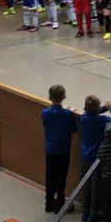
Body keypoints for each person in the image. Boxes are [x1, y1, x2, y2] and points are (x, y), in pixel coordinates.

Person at [79, 96, 111, 222]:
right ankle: (93, 214)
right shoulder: (101, 120)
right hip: (96, 160)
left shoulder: (83, 118)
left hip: (84, 158)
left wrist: (105, 108)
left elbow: (92, 112)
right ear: (97, 109)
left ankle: (85, 212)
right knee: (96, 188)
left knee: (86, 186)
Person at [41, 84, 77, 213]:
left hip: (49, 149)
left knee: (50, 175)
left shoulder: (44, 113)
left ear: (49, 97)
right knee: (61, 176)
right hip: (63, 150)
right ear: (64, 97)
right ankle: (60, 203)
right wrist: (68, 112)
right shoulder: (67, 114)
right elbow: (74, 128)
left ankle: (49, 201)